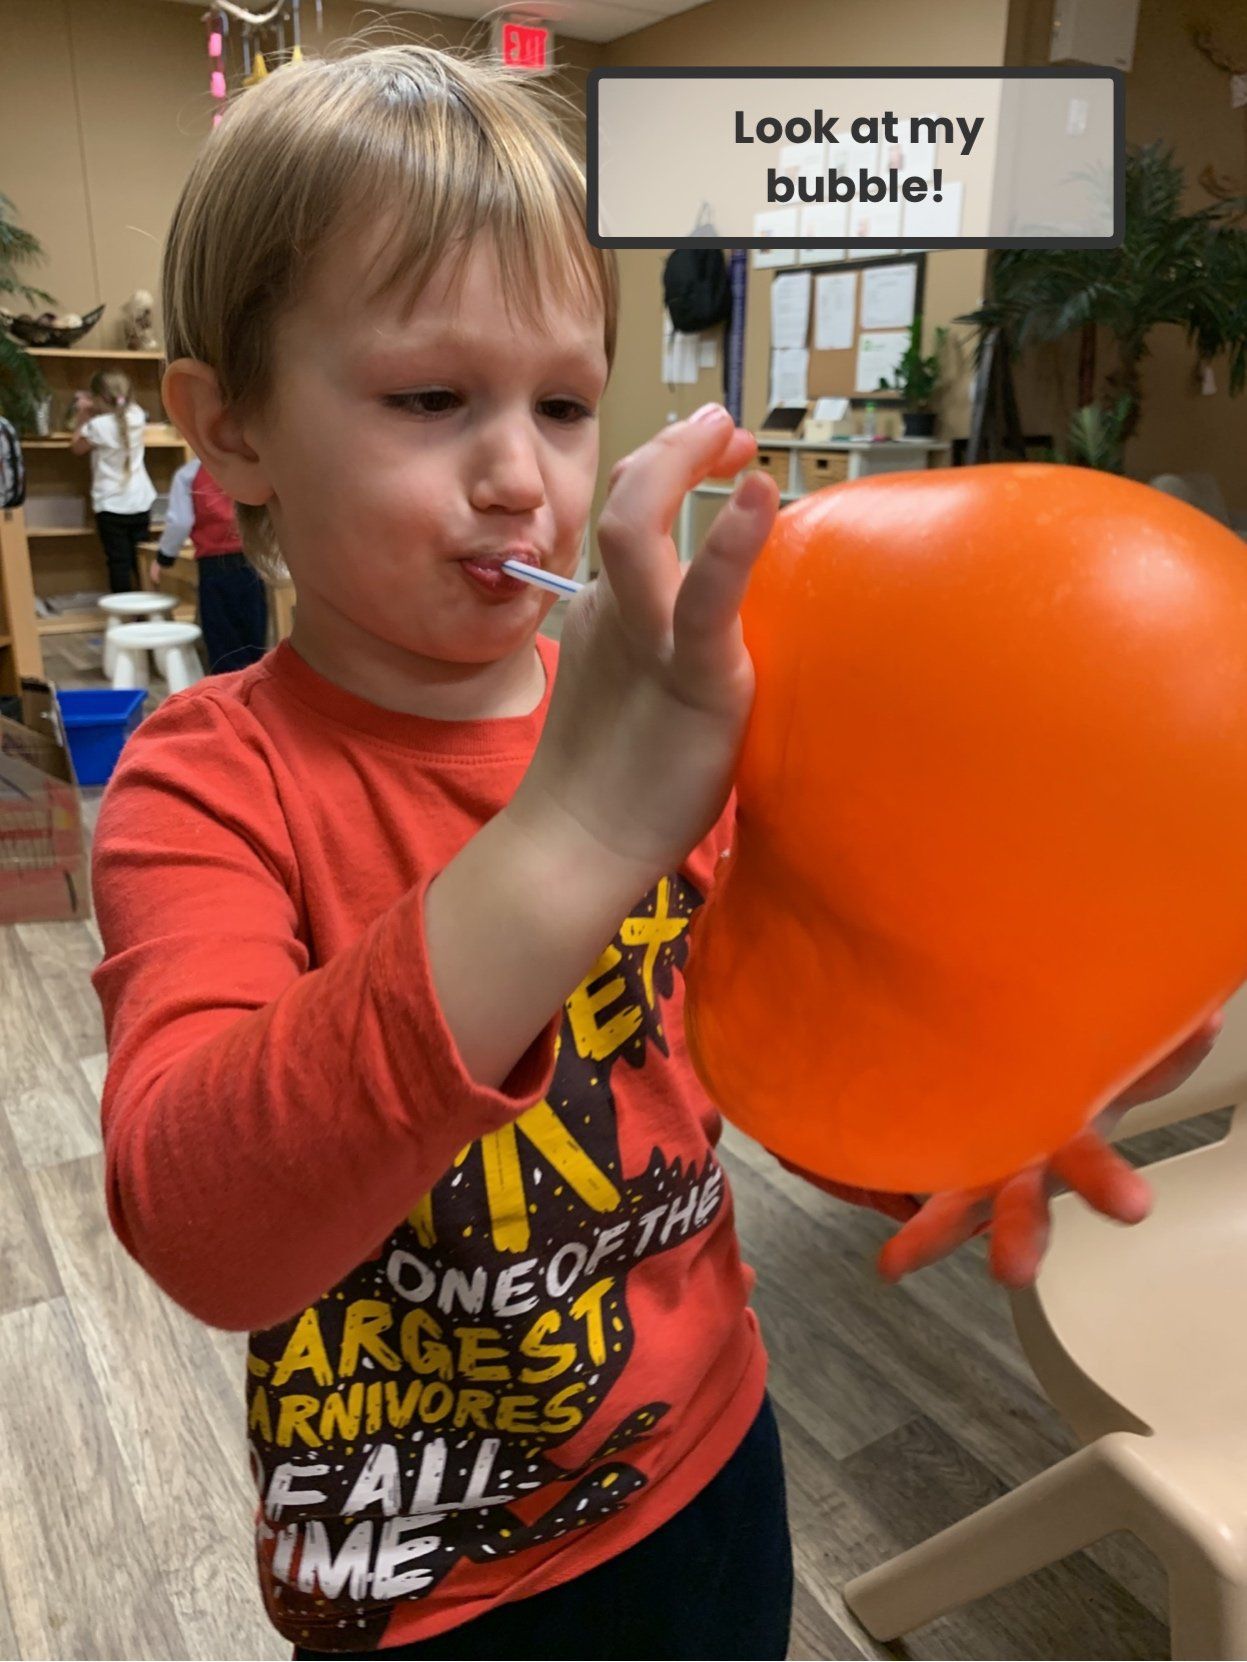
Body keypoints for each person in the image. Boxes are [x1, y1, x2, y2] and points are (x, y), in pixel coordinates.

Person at [90, 45, 1218, 1662]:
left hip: (697, 1464)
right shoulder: (209, 784)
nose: (518, 474)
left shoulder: (694, 728)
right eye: (429, 399)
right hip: (417, 1567)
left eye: (560, 403)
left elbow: (741, 1050)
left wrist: (978, 1097)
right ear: (233, 429)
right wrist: (581, 825)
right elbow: (206, 1228)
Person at [150, 455, 269, 672]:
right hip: (251, 561)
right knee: (254, 636)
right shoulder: (247, 467)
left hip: (214, 567)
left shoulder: (189, 474)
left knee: (223, 641)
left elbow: (180, 522)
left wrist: (164, 557)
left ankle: (229, 696)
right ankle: (255, 694)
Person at [70, 369, 157, 592]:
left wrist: (82, 416)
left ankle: (125, 615)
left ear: (98, 398)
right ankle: (148, 609)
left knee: (119, 562)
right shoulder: (137, 416)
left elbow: (77, 447)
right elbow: (124, 410)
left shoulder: (97, 427)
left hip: (111, 505)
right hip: (140, 501)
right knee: (141, 559)